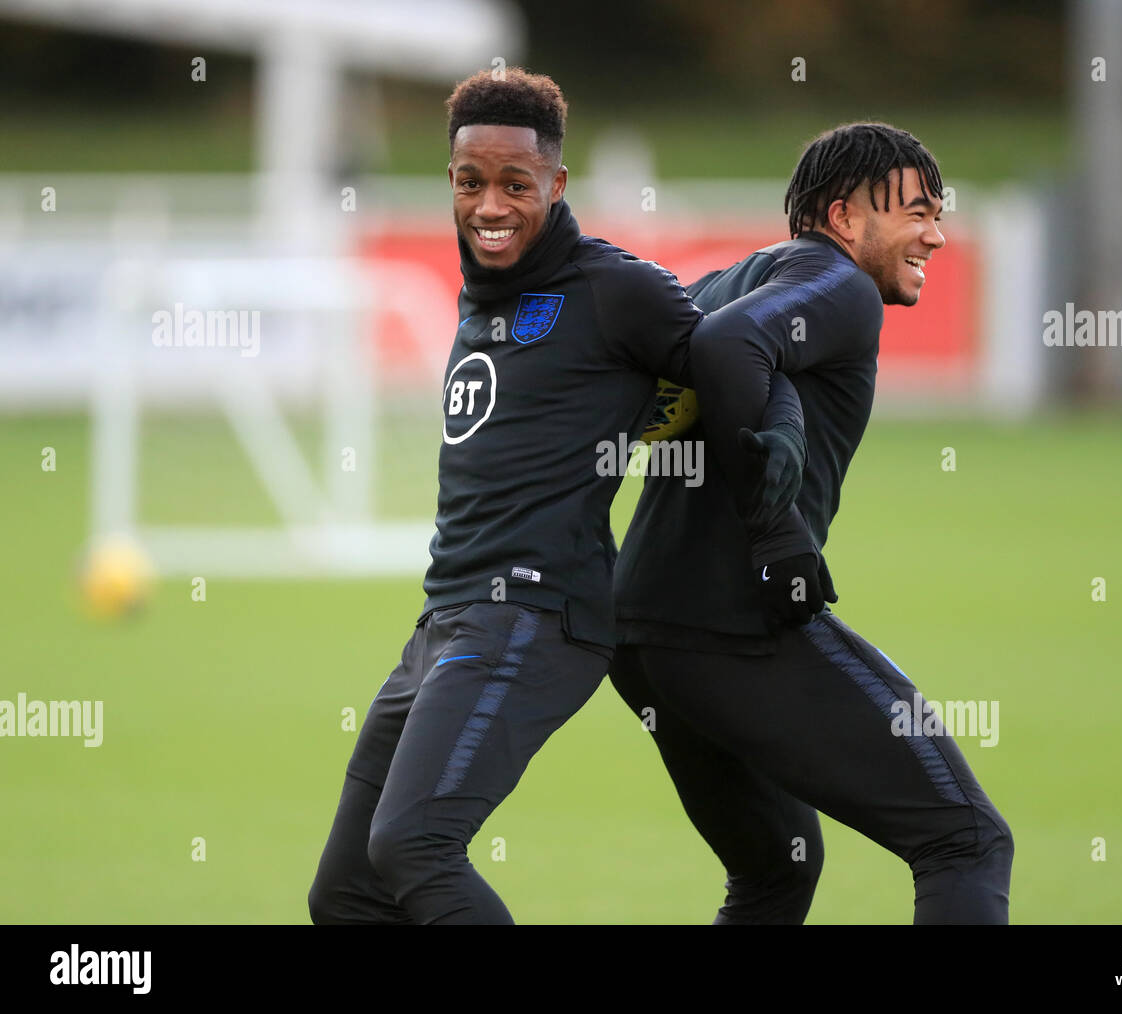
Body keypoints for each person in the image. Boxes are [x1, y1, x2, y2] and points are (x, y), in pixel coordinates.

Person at [306, 68, 804, 924]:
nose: (490, 207)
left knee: (414, 845)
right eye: (470, 184)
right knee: (347, 895)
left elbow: (740, 365)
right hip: (445, 621)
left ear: (557, 184)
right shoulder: (483, 287)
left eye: (515, 185)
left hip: (534, 617)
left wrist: (778, 497)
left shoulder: (615, 289)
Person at [611, 122, 1015, 924]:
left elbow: (653, 377)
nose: (937, 234)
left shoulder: (730, 279)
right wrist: (773, 527)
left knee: (776, 870)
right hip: (728, 626)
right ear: (844, 219)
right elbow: (731, 348)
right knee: (965, 840)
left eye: (941, 213)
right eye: (917, 213)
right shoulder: (841, 287)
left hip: (640, 634)